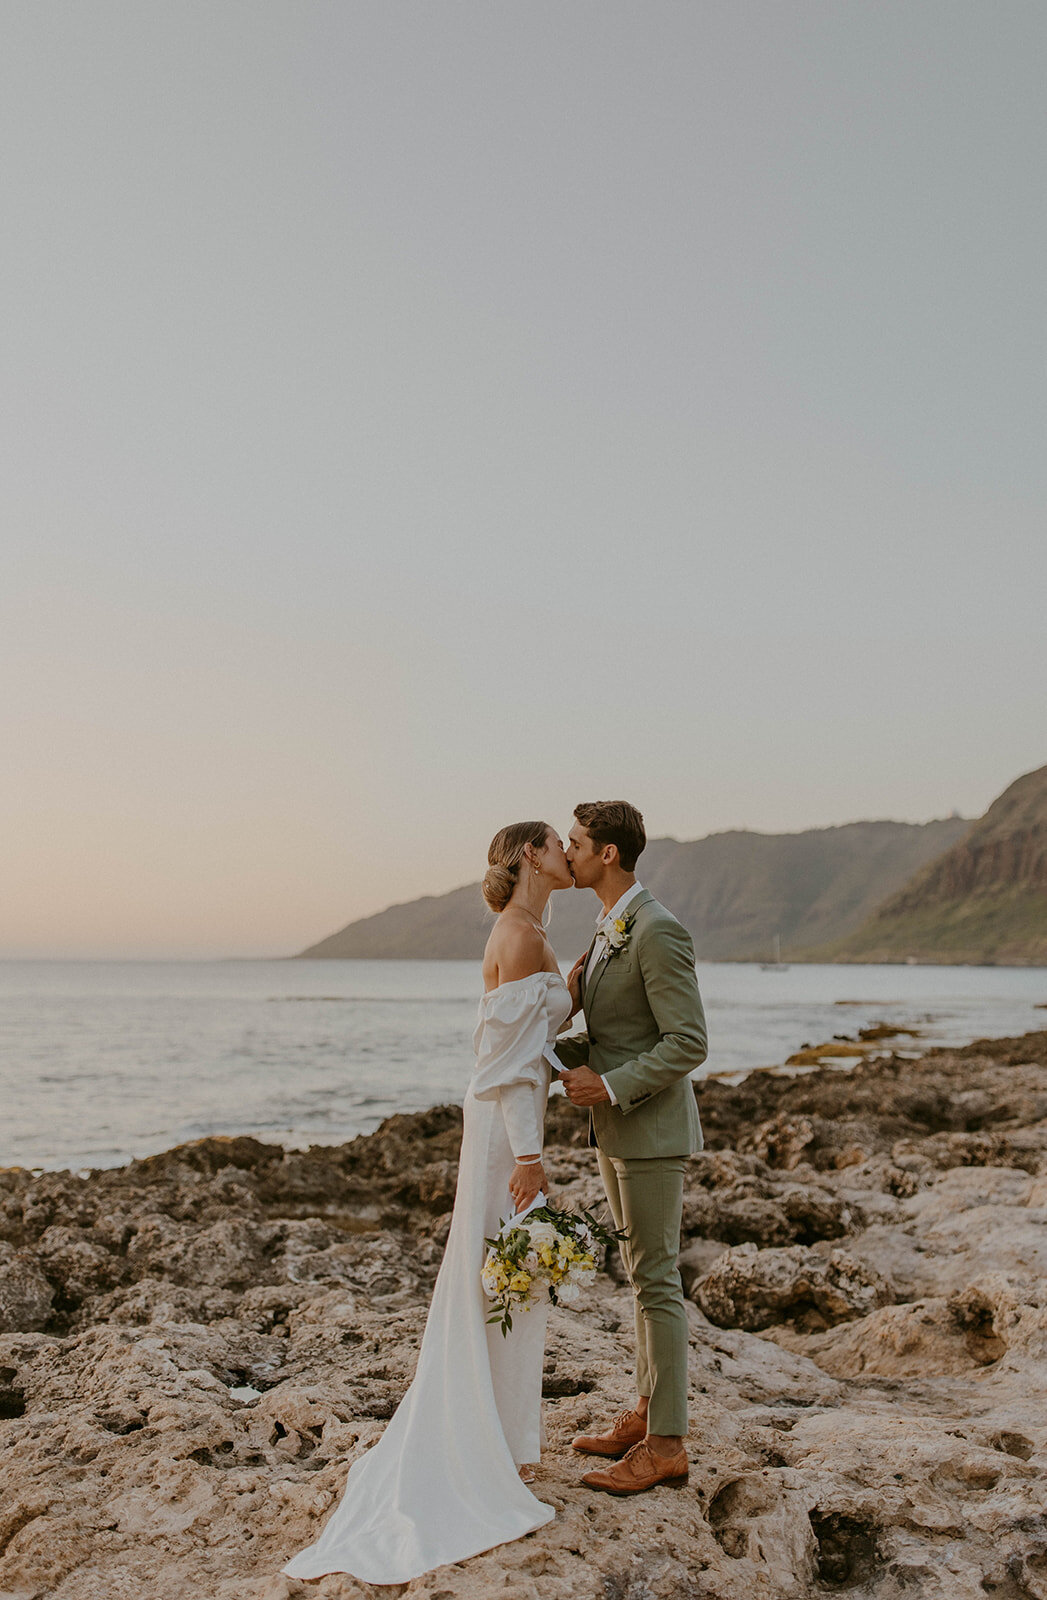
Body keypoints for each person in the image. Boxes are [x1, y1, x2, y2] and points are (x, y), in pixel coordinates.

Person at [283, 821, 574, 1585]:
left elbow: (543, 1031)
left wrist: (588, 979)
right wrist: (530, 1158)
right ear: (528, 857)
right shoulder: (514, 936)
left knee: (511, 1283)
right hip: (502, 1132)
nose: (567, 854)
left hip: (514, 1124)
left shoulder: (531, 930)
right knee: (499, 1278)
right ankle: (483, 1449)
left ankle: (506, 1445)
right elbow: (506, 1065)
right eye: (556, 843)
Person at [557, 800, 707, 1495]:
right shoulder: (607, 928)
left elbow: (687, 1042)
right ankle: (645, 1412)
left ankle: (669, 1444)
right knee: (639, 1277)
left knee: (657, 1285)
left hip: (647, 1128)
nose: (568, 849)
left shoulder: (656, 929)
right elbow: (614, 1033)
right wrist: (538, 1051)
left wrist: (611, 1086)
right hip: (615, 1126)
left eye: (577, 841)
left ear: (608, 854)